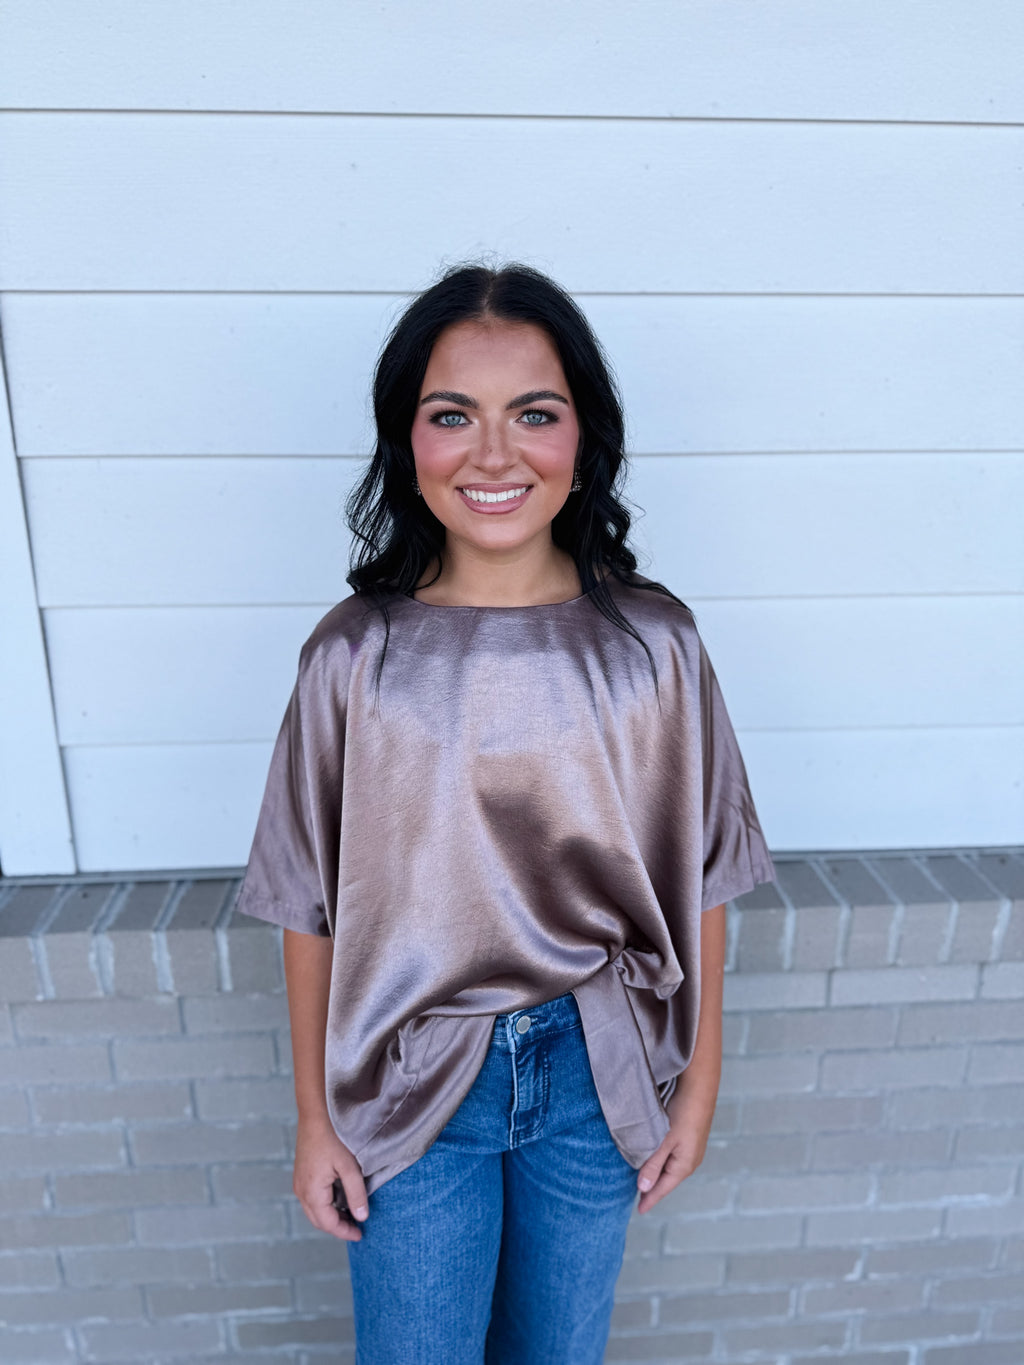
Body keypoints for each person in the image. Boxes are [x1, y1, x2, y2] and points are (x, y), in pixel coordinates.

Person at [237, 263, 774, 1364]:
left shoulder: (653, 647)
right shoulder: (354, 656)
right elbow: (310, 904)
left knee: (556, 1351)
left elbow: (705, 874)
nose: (493, 454)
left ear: (583, 441)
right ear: (407, 442)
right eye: (452, 417)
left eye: (534, 413)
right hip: (408, 1081)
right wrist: (312, 1117)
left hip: (598, 1070)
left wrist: (699, 1085)